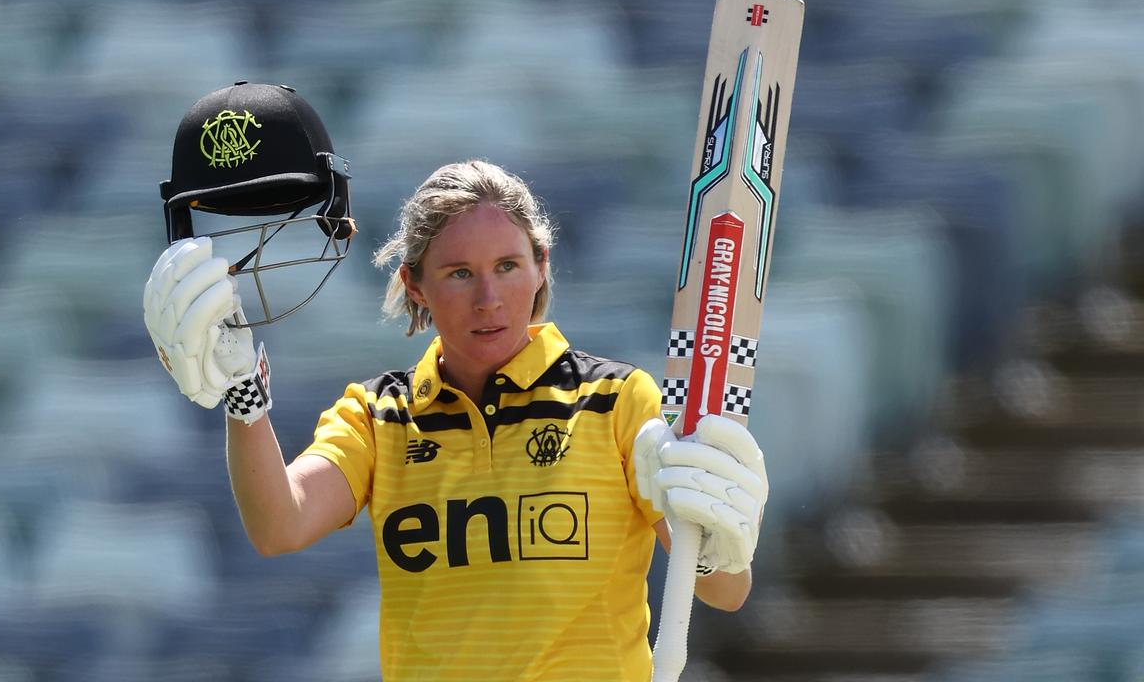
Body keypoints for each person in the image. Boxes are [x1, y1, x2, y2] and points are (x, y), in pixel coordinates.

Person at [144, 83, 769, 681]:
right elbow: (280, 526)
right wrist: (243, 400)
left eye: (507, 266)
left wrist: (723, 539)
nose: (490, 298)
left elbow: (723, 591)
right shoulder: (378, 414)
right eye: (460, 274)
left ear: (541, 266)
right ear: (415, 284)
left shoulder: (617, 401)